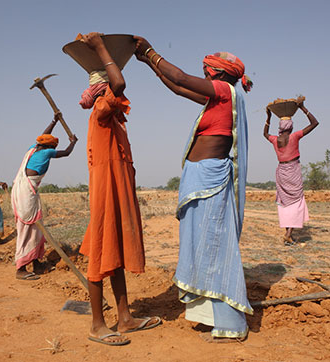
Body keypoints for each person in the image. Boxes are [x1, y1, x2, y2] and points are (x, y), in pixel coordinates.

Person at [134, 36, 253, 342]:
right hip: (200, 178)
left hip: (211, 179)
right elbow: (177, 87)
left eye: (207, 73)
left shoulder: (225, 92)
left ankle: (231, 323)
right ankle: (209, 315)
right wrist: (147, 63)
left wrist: (150, 51)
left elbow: (181, 77)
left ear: (221, 74)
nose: (203, 78)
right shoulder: (217, 99)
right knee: (201, 245)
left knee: (214, 245)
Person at [78, 32, 161, 346]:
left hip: (118, 189)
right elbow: (120, 85)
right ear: (104, 90)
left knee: (115, 251)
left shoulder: (112, 118)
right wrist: (100, 48)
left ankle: (125, 318)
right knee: (101, 253)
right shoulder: (101, 110)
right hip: (106, 192)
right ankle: (97, 325)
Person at [11, 112, 78, 280]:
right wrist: (73, 143)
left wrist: (54, 121)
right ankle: (21, 268)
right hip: (27, 193)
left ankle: (35, 261)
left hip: (23, 190)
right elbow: (67, 153)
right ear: (50, 147)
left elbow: (43, 136)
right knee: (29, 227)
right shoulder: (47, 152)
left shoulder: (33, 149)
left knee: (36, 227)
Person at [263, 98, 319, 245]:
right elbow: (315, 123)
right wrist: (303, 108)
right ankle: (288, 233)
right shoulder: (295, 136)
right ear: (291, 126)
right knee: (296, 202)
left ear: (280, 126)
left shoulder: (275, 140)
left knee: (286, 202)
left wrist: (268, 117)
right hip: (293, 170)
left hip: (281, 172)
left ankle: (288, 233)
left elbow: (265, 134)